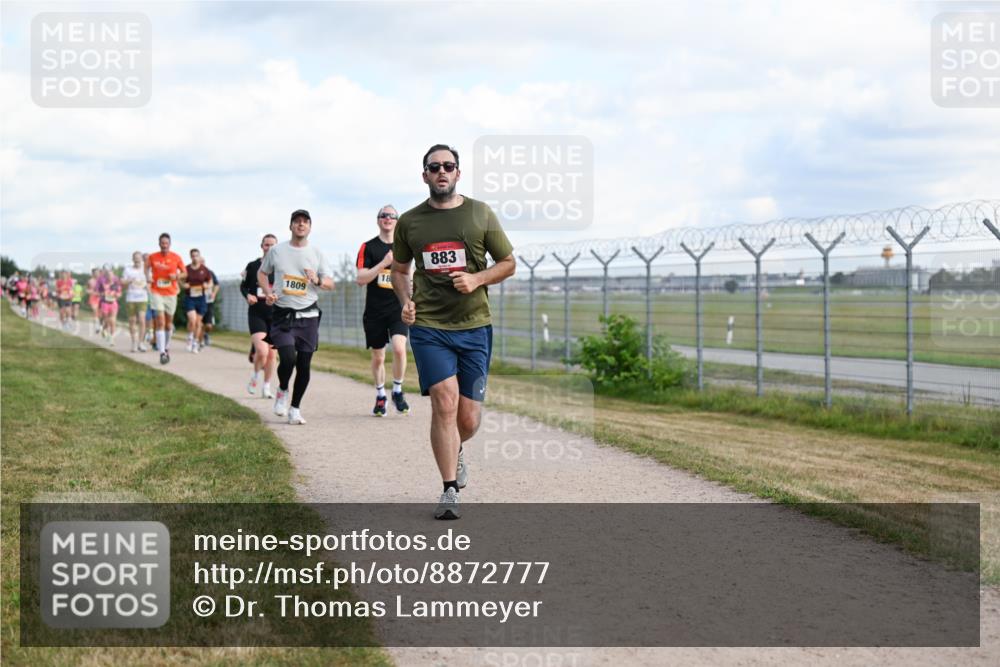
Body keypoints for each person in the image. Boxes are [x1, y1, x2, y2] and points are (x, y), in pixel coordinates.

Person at [391, 144, 516, 520]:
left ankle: (457, 448)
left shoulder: (480, 213)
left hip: (475, 326)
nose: (441, 171)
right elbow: (399, 271)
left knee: (467, 419)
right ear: (425, 175)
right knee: (443, 403)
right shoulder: (410, 222)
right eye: (434, 167)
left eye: (448, 166)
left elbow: (508, 263)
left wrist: (477, 278)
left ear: (458, 173)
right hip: (430, 326)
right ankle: (449, 491)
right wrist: (405, 300)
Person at [258, 210, 333, 425]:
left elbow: (330, 283)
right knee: (288, 357)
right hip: (283, 314)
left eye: (305, 222)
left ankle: (295, 408)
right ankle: (282, 390)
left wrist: (317, 280)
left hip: (308, 315)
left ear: (310, 227)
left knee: (304, 364)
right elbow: (262, 274)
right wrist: (268, 291)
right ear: (290, 226)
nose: (301, 225)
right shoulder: (277, 251)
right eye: (297, 222)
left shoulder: (316, 253)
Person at [357, 205, 410, 417]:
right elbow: (361, 279)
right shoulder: (368, 247)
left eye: (391, 216)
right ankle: (380, 395)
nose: (387, 218)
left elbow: (411, 275)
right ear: (378, 220)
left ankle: (397, 389)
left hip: (398, 308)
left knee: (399, 348)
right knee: (378, 357)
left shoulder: (405, 247)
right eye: (383, 215)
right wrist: (384, 263)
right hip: (375, 311)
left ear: (397, 221)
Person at [241, 234, 278, 398]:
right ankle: (255, 376)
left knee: (272, 354)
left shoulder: (281, 268)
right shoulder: (253, 265)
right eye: (266, 245)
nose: (269, 248)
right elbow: (244, 287)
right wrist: (248, 296)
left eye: (272, 245)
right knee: (262, 351)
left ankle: (267, 386)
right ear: (261, 246)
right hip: (257, 313)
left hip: (276, 314)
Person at [146, 233, 186, 364]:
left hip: (171, 293)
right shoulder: (152, 257)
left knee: (169, 324)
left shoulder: (176, 257)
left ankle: (166, 346)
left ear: (169, 244)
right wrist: (148, 276)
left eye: (166, 243)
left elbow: (185, 273)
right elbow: (146, 269)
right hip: (156, 292)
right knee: (160, 321)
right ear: (159, 243)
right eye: (162, 243)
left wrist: (177, 276)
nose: (164, 245)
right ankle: (162, 352)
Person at [182, 249, 213, 353]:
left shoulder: (204, 270)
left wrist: (207, 285)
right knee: (192, 320)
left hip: (201, 298)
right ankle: (190, 338)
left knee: (198, 323)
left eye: (196, 256)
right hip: (190, 298)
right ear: (190, 257)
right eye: (193, 256)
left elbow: (210, 282)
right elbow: (178, 279)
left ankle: (195, 343)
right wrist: (183, 285)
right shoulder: (186, 269)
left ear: (199, 257)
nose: (195, 258)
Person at [122, 251, 149, 352]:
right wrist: (128, 281)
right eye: (135, 258)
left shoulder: (145, 269)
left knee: (142, 320)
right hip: (131, 298)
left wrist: (148, 286)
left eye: (139, 258)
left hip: (142, 298)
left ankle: (141, 343)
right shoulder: (128, 270)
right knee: (132, 321)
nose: (137, 260)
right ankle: (134, 342)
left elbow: (150, 281)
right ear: (133, 259)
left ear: (141, 259)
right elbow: (123, 283)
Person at [96, 266, 122, 344]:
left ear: (113, 276)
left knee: (113, 321)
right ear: (106, 276)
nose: (110, 277)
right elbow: (97, 292)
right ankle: (104, 329)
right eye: (108, 275)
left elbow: (120, 293)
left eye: (111, 275)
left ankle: (111, 338)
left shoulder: (116, 284)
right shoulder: (102, 283)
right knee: (106, 320)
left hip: (113, 303)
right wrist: (102, 293)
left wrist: (118, 295)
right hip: (104, 303)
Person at [202, 268, 220, 346]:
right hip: (197, 300)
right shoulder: (193, 273)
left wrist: (214, 293)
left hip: (208, 301)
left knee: (209, 325)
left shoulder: (210, 273)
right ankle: (197, 339)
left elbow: (217, 285)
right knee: (198, 323)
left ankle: (206, 334)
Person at [86, 268, 101, 333]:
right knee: (95, 310)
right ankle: (97, 326)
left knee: (100, 313)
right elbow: (87, 290)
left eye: (98, 272)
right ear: (92, 274)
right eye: (95, 273)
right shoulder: (90, 281)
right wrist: (90, 292)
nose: (96, 274)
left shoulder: (102, 280)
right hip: (93, 297)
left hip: (101, 298)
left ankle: (100, 324)